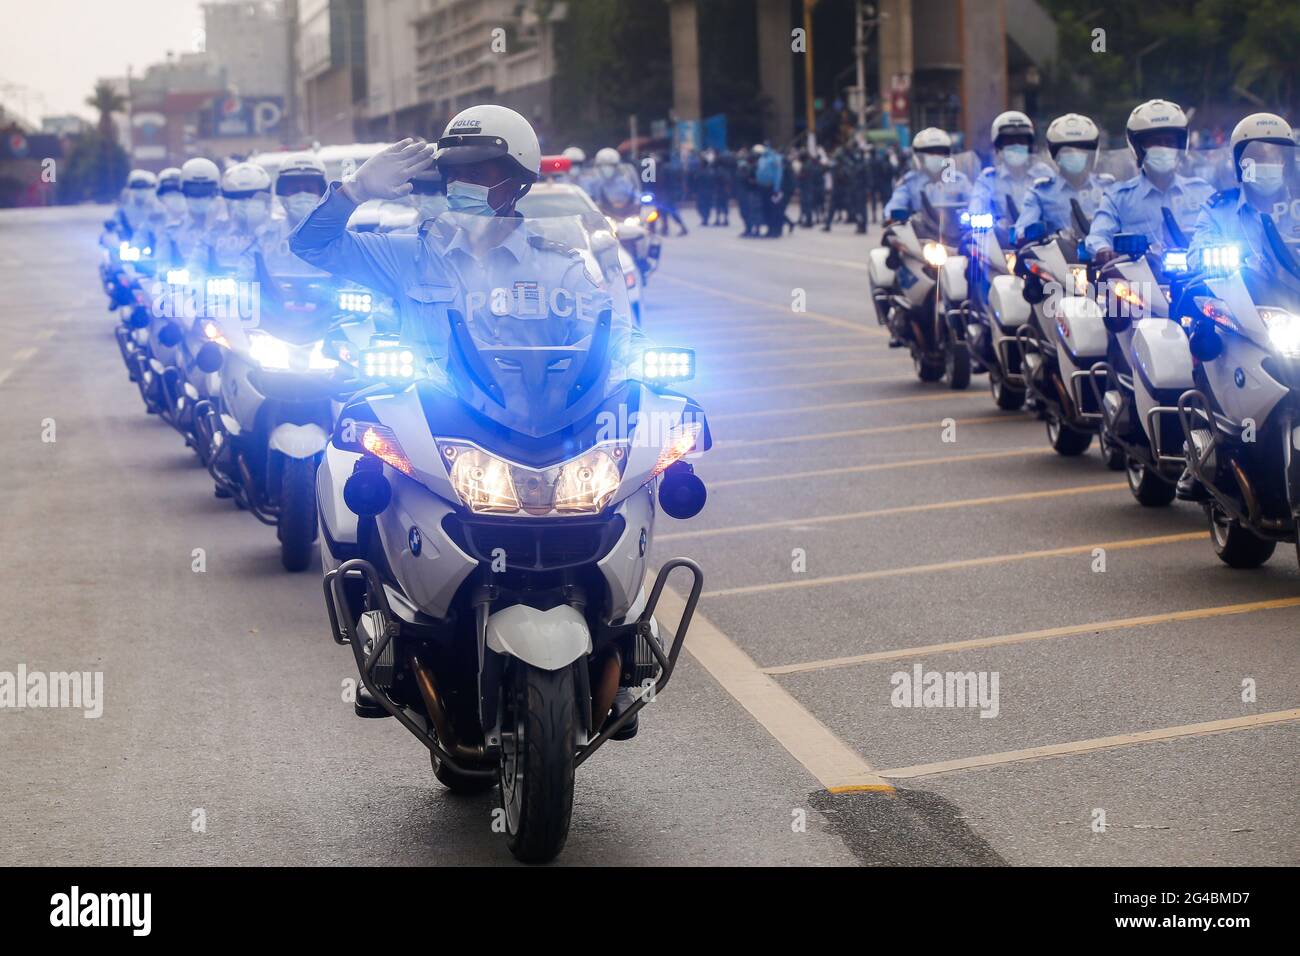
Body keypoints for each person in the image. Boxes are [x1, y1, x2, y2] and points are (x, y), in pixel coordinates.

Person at [289, 105, 626, 372]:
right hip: (431, 429)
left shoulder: (559, 268)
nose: (460, 184)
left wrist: (641, 359)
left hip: (534, 433)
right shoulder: (411, 256)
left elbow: (613, 336)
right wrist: (353, 191)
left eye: (476, 174)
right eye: (453, 175)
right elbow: (312, 245)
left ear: (517, 181)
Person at [1086, 99, 1215, 263]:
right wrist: (1103, 249)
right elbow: (1098, 234)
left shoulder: (1202, 192)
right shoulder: (1118, 197)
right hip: (1138, 281)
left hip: (1195, 278)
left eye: (1169, 142)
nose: (1163, 148)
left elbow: (1226, 229)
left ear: (1181, 146)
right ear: (1138, 148)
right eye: (1154, 142)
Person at [1189, 112, 1300, 267]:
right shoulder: (1218, 211)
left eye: (1275, 158)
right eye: (1258, 158)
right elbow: (1196, 257)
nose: (1267, 164)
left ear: (1286, 163)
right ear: (1240, 164)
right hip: (1240, 290)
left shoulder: (1297, 207)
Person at [1015, 113, 1114, 238]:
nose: (1074, 154)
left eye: (1081, 148)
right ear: (1055, 155)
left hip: (1104, 255)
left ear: (1091, 154)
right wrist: (1032, 233)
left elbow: (1127, 222)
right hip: (1057, 256)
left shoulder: (1108, 189)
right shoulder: (1040, 193)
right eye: (1066, 150)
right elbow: (1023, 229)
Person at [969, 111, 1052, 246]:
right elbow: (976, 207)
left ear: (1029, 145)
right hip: (999, 245)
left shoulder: (1044, 175)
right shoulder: (988, 178)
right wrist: (984, 219)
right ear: (998, 146)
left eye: (1021, 140)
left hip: (1040, 245)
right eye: (1009, 141)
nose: (1016, 145)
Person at [883, 127, 973, 220]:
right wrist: (892, 214)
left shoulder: (960, 181)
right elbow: (895, 205)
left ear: (948, 154)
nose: (935, 156)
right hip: (919, 232)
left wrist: (976, 213)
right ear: (919, 156)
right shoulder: (910, 182)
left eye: (940, 152)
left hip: (956, 232)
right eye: (929, 152)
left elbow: (974, 202)